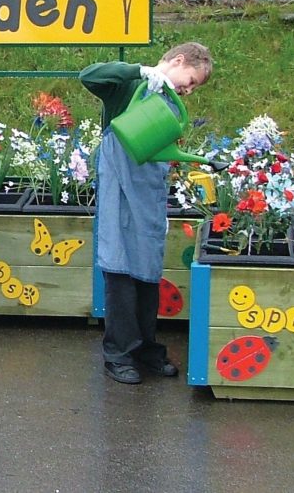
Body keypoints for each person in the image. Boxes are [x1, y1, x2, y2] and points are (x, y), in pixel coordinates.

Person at [80, 42, 213, 384]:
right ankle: (118, 354)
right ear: (179, 60)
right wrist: (139, 71)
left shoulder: (171, 103)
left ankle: (145, 349)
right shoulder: (129, 88)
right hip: (120, 197)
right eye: (191, 80)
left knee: (148, 273)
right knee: (121, 270)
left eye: (195, 87)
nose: (190, 89)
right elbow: (89, 75)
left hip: (149, 198)